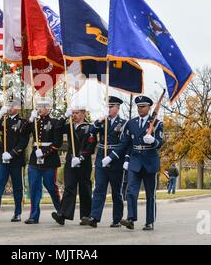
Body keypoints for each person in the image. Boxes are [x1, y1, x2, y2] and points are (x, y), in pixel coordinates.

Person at [108, 96, 163, 231]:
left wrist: (153, 141)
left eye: (143, 106)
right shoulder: (131, 123)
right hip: (135, 160)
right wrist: (113, 156)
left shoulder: (157, 123)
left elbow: (160, 143)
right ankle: (131, 219)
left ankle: (149, 221)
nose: (140, 109)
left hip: (150, 160)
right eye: (138, 106)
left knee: (150, 194)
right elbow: (125, 143)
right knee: (131, 191)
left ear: (149, 107)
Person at [81, 96, 128, 228]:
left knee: (116, 191)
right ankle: (94, 217)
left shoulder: (124, 123)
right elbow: (90, 131)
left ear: (117, 108)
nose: (108, 108)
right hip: (102, 157)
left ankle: (117, 219)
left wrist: (112, 157)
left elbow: (123, 144)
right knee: (99, 189)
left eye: (111, 106)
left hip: (116, 160)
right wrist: (101, 118)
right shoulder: (102, 121)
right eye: (107, 106)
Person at [51, 105, 96, 226]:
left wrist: (81, 157)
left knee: (84, 189)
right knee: (69, 187)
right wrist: (64, 116)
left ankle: (86, 216)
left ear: (83, 113)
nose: (74, 115)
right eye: (73, 113)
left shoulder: (89, 128)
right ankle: (63, 214)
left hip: (83, 162)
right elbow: (57, 128)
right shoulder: (69, 126)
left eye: (76, 113)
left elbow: (90, 147)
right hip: (71, 161)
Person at [0, 97, 29, 222]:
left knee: (17, 187)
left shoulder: (23, 122)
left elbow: (23, 142)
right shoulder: (3, 119)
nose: (9, 108)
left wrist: (12, 154)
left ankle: (17, 213)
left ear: (18, 108)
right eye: (8, 105)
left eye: (12, 105)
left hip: (15, 159)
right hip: (2, 159)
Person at [22, 97, 63, 224]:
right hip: (35, 158)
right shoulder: (34, 121)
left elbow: (57, 143)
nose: (39, 109)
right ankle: (34, 216)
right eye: (38, 106)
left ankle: (61, 213)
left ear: (48, 108)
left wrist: (44, 152)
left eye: (42, 106)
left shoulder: (55, 122)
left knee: (51, 187)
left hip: (49, 160)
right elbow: (22, 132)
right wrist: (30, 119)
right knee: (34, 187)